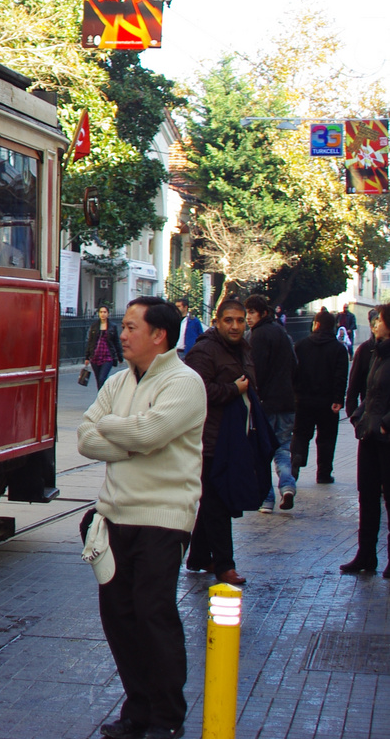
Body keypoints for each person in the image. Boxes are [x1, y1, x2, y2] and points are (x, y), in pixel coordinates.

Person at [77, 296, 206, 739]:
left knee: (154, 615)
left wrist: (116, 427)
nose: (123, 334)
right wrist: (132, 441)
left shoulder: (185, 382)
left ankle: (167, 717)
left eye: (132, 327)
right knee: (119, 618)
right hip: (114, 516)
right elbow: (84, 437)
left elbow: (151, 432)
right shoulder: (117, 381)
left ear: (159, 335)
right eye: (124, 326)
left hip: (163, 518)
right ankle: (138, 710)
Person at [182, 296, 256, 585]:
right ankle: (225, 565)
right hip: (209, 439)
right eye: (229, 320)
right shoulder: (205, 350)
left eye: (240, 320)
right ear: (217, 322)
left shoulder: (241, 348)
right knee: (218, 502)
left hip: (230, 436)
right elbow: (196, 391)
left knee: (214, 501)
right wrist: (232, 390)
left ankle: (200, 556)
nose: (235, 326)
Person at [341, 306, 390, 575]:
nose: (375, 324)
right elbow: (368, 393)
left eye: (379, 321)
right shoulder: (375, 353)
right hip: (369, 435)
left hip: (385, 436)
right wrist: (359, 416)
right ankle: (366, 555)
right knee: (367, 496)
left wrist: (385, 423)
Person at [245, 294, 298, 511]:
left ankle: (266, 499)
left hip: (265, 403)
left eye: (251, 312)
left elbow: (256, 371)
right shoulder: (282, 332)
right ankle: (287, 486)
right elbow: (294, 365)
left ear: (263, 313)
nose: (248, 317)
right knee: (283, 448)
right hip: (286, 402)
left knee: (262, 451)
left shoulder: (257, 336)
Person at [292, 308, 349, 485]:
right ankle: (324, 473)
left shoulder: (301, 346)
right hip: (328, 402)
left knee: (300, 434)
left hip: (303, 400)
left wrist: (294, 394)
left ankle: (297, 458)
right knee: (327, 438)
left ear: (316, 325)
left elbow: (293, 372)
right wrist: (338, 399)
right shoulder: (339, 349)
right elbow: (341, 376)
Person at [84, 305, 122, 389]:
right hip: (95, 356)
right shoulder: (94, 326)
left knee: (102, 378)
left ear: (108, 314)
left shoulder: (112, 326)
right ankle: (101, 395)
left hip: (107, 356)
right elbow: (90, 342)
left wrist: (120, 357)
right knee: (98, 380)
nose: (103, 314)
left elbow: (116, 342)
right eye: (101, 312)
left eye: (105, 312)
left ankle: (103, 394)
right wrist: (87, 357)